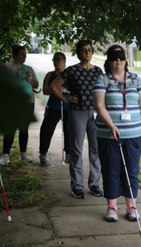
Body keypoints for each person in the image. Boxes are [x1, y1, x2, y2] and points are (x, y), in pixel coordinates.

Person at [92, 45, 141, 222]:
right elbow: (99, 106)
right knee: (111, 170)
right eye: (114, 57)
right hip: (109, 135)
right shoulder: (102, 80)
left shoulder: (136, 79)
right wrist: (111, 125)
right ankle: (112, 207)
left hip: (133, 135)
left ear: (125, 60)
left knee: (132, 171)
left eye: (121, 57)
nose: (118, 60)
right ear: (108, 61)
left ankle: (131, 206)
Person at [49, 39, 104, 198]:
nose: (87, 52)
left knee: (96, 149)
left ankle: (94, 184)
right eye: (84, 50)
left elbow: (104, 91)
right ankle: (77, 186)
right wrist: (66, 99)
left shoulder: (98, 71)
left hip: (95, 113)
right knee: (76, 149)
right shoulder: (72, 71)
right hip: (77, 112)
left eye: (89, 50)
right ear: (79, 53)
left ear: (92, 52)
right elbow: (54, 87)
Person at [0, 45, 39, 165]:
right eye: (22, 54)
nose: (24, 57)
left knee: (24, 128)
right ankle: (5, 155)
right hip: (12, 102)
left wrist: (29, 81)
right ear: (15, 55)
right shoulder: (8, 67)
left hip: (28, 101)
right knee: (10, 128)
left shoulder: (29, 69)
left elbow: (36, 84)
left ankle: (23, 154)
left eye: (25, 54)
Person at [39, 52, 71, 165]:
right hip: (53, 106)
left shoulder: (70, 74)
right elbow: (46, 90)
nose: (56, 62)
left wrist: (66, 91)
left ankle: (69, 153)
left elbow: (76, 90)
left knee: (68, 131)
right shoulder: (50, 75)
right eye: (54, 59)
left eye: (58, 59)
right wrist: (56, 89)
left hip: (67, 106)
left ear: (64, 60)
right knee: (46, 130)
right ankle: (43, 153)